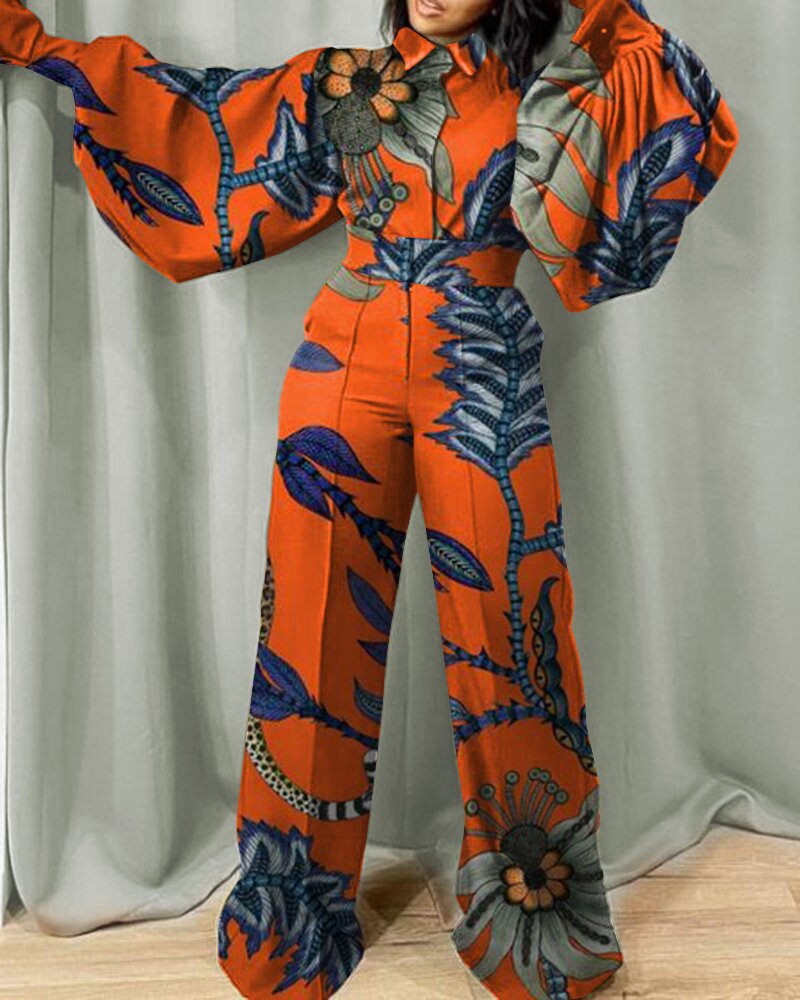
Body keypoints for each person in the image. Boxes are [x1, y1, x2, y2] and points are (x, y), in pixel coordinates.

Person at [0, 0, 739, 997]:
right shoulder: (348, 85)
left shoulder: (543, 91)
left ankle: (534, 934)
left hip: (483, 371)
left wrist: (603, 18)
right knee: (309, 643)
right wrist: (41, 49)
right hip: (340, 368)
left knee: (513, 640)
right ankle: (290, 926)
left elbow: (629, 188)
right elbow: (205, 129)